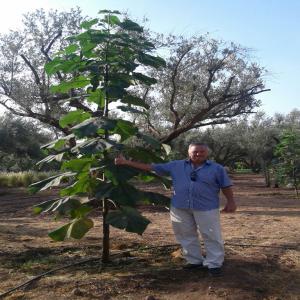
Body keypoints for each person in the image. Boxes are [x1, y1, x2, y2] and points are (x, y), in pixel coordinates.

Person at [114, 142, 236, 276]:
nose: (198, 154)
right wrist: (125, 162)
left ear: (207, 153)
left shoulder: (217, 168)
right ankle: (194, 261)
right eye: (195, 151)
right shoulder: (176, 165)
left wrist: (231, 201)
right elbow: (151, 167)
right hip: (180, 207)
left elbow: (226, 186)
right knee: (185, 234)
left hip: (206, 208)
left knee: (211, 235)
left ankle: (214, 264)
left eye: (202, 151)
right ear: (188, 152)